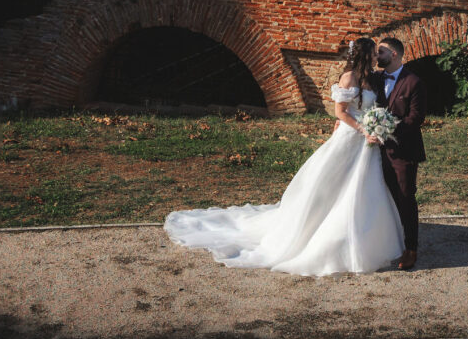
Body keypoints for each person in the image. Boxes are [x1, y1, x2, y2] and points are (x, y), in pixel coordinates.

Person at [163, 37, 405, 276]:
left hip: (366, 143)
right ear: (365, 55)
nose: (377, 56)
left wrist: (375, 126)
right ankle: (321, 232)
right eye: (374, 53)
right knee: (333, 185)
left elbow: (369, 108)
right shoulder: (348, 77)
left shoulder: (371, 79)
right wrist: (363, 128)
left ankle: (364, 234)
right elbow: (340, 111)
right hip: (351, 137)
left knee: (365, 187)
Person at [369, 37, 426, 270]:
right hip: (372, 152)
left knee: (405, 197)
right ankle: (384, 242)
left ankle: (411, 248)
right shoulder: (373, 79)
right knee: (379, 196)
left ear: (394, 54)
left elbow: (416, 118)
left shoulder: (414, 82)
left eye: (380, 52)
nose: (376, 56)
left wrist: (386, 129)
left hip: (403, 151)